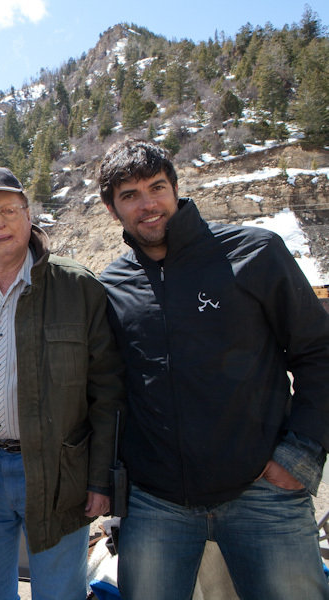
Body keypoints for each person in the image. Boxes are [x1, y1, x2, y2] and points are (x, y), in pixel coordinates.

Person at [97, 138, 329, 600]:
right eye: (130, 195)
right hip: (156, 503)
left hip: (262, 492)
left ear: (177, 188)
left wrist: (301, 452)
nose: (148, 205)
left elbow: (318, 350)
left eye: (156, 187)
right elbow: (108, 389)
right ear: (112, 209)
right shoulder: (112, 285)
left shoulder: (255, 253)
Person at [0, 167, 124, 600]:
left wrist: (100, 479)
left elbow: (108, 392)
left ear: (28, 213)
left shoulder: (77, 286)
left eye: (8, 210)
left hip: (58, 475)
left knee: (60, 594)